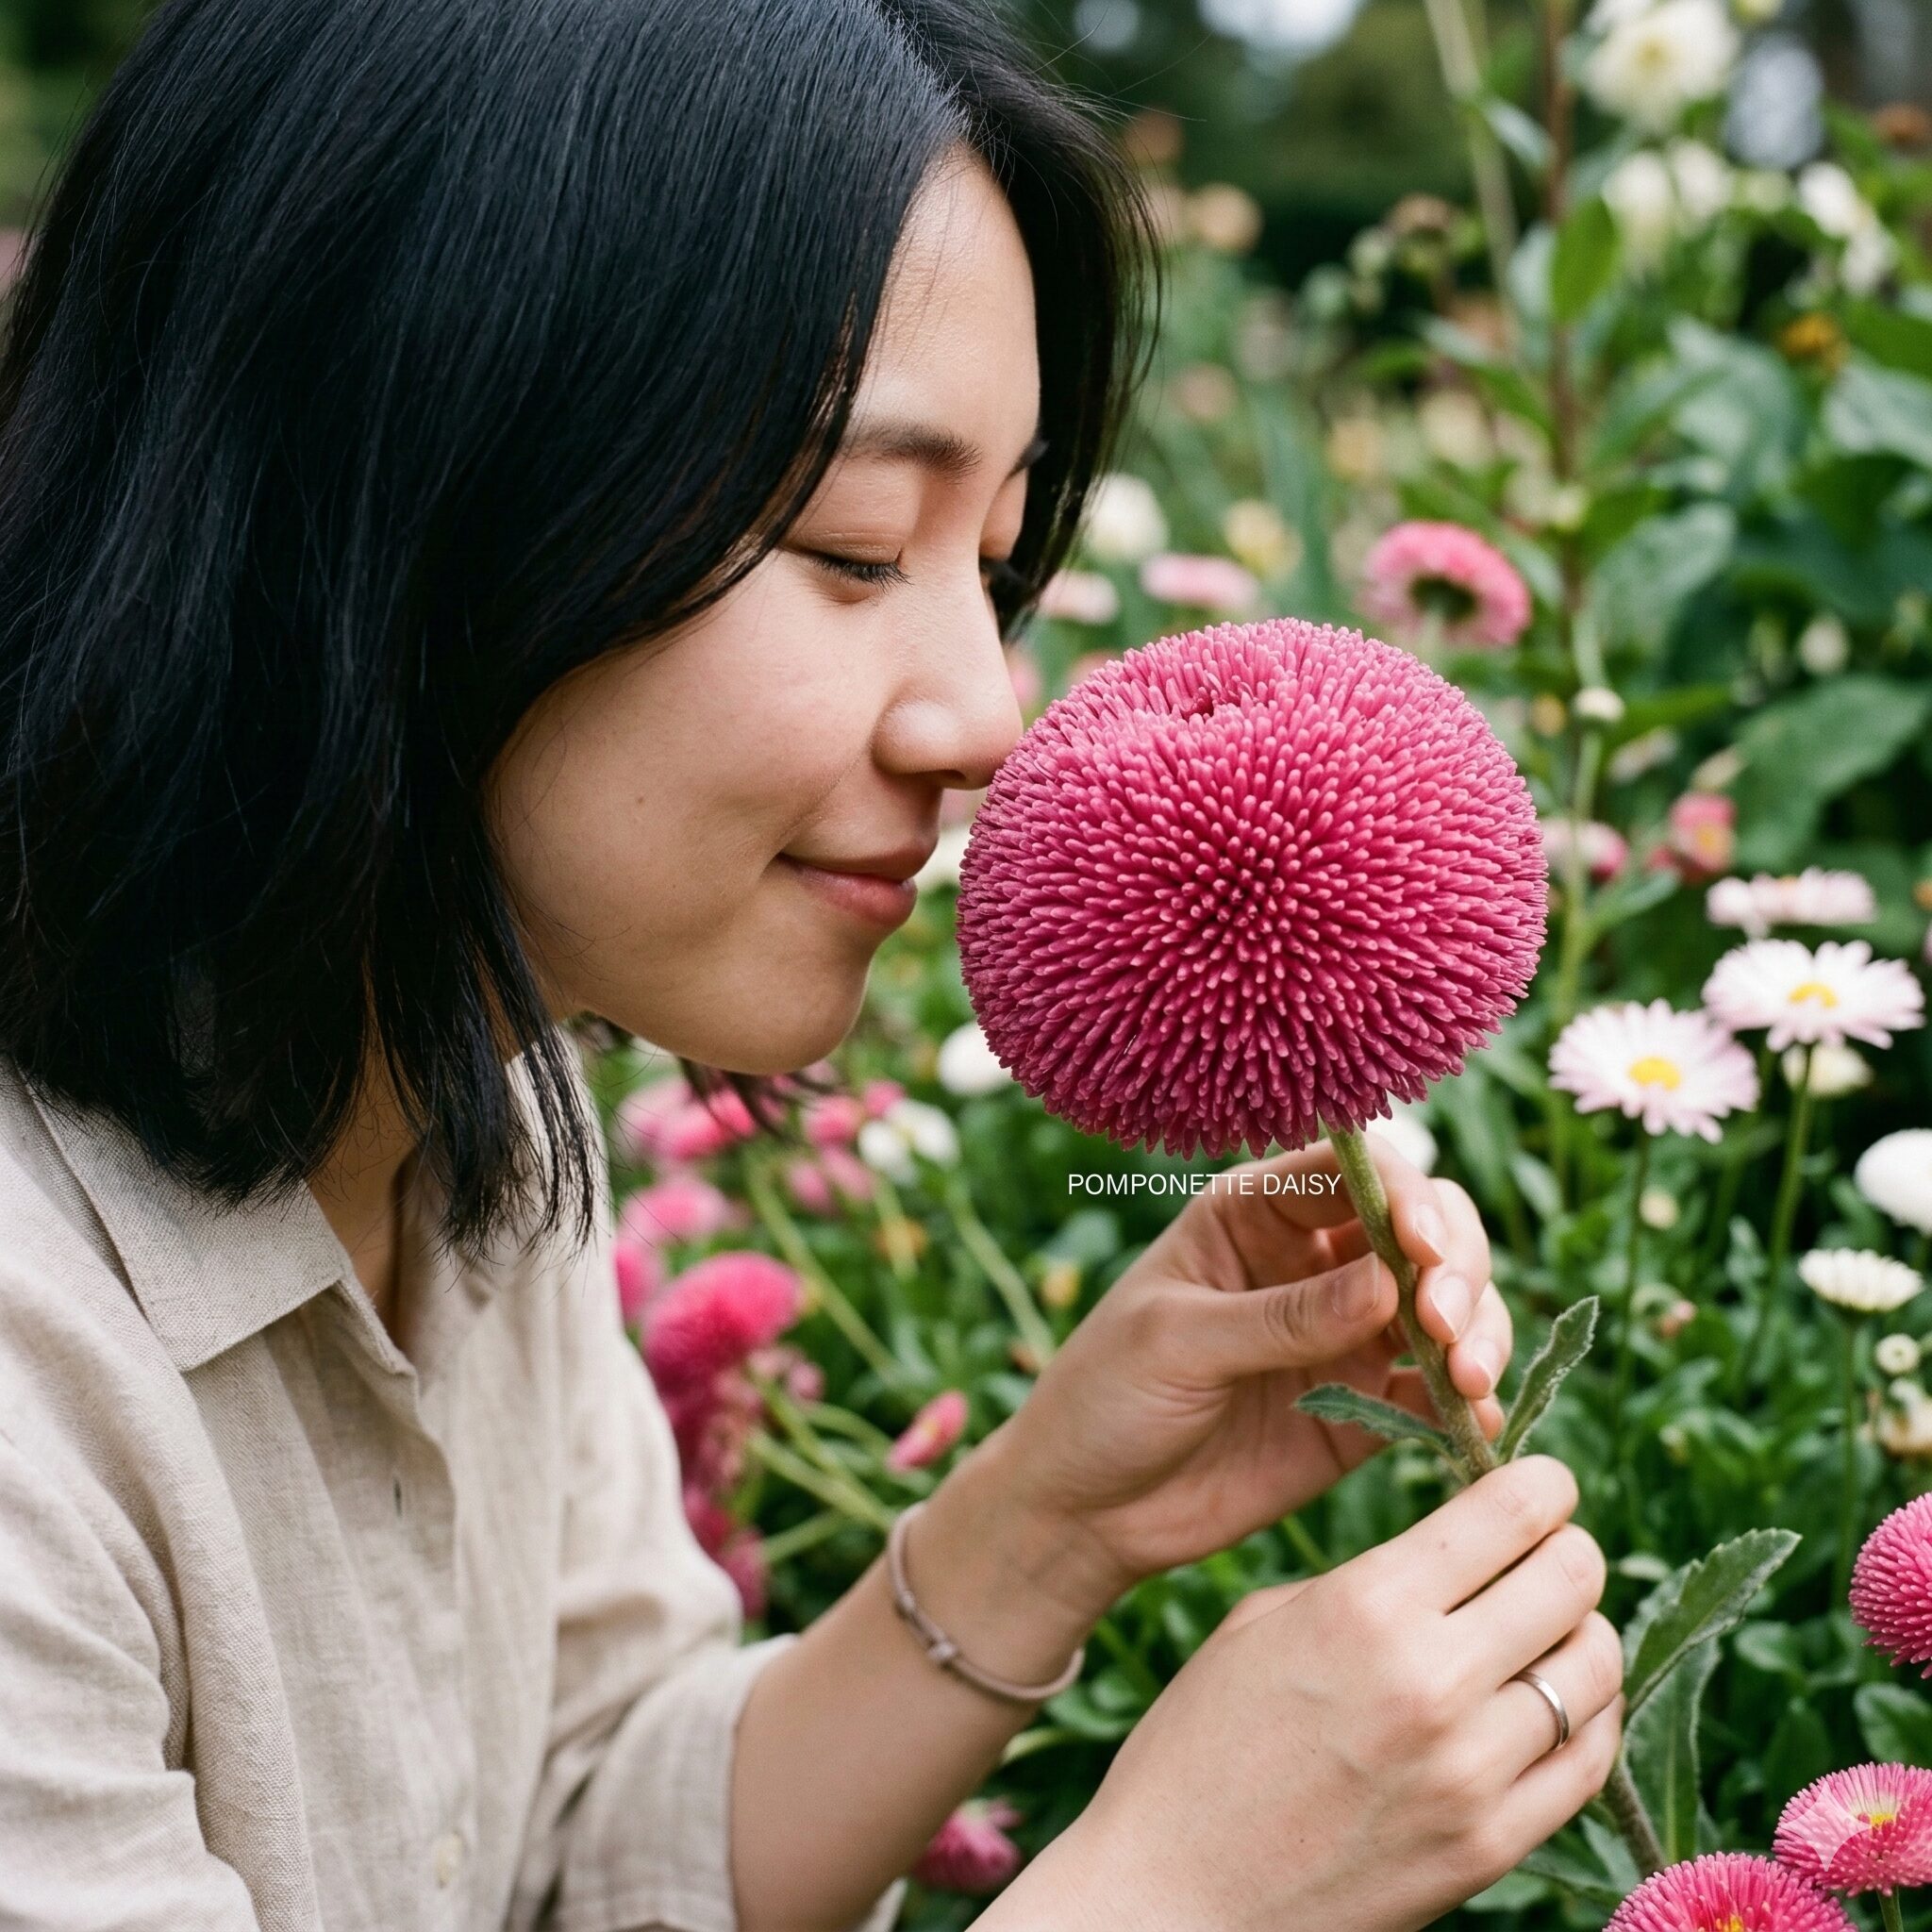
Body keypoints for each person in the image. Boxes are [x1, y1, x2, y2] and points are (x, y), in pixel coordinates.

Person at [0, 2, 1621, 1928]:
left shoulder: (462, 1106)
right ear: (393, 477)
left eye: (995, 559)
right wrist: (1169, 1894)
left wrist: (1047, 1518)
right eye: (858, 545)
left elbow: (574, 1836)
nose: (988, 713)